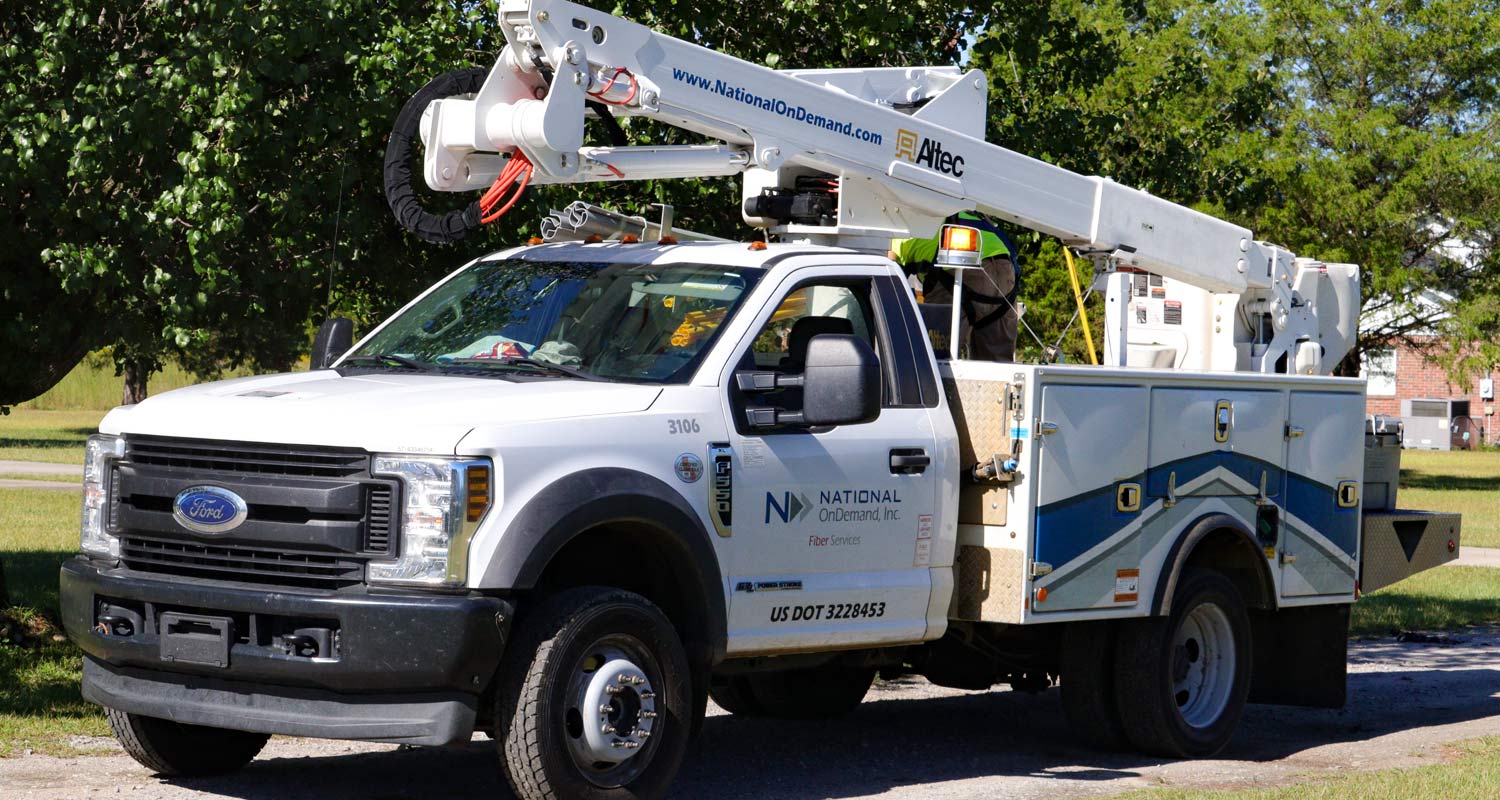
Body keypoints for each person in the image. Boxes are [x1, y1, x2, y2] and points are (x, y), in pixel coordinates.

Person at [889, 211, 1020, 361]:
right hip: (1004, 270)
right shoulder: (961, 213)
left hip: (961, 274)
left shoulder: (893, 236)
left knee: (938, 358)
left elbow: (889, 284)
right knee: (997, 366)